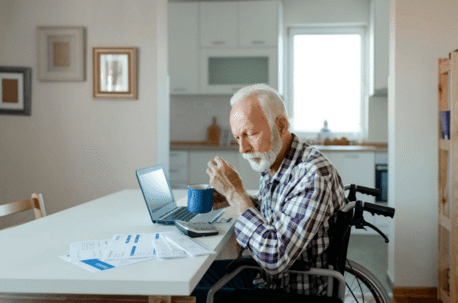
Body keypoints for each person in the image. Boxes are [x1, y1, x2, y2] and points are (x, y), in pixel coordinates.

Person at [191, 83, 346, 301]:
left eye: (250, 134)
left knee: (198, 285)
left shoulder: (312, 174)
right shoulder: (277, 161)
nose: (242, 148)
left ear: (281, 125)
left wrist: (236, 194)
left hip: (289, 291)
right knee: (196, 274)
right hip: (267, 279)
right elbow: (276, 213)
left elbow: (274, 256)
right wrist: (232, 198)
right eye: (238, 137)